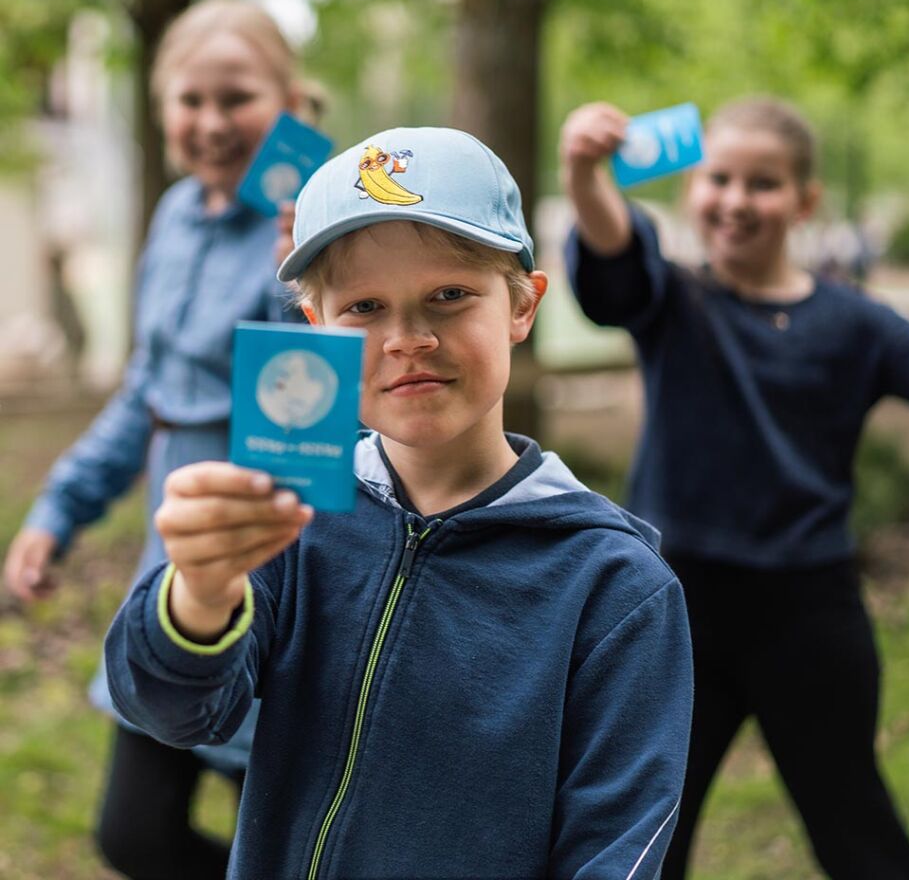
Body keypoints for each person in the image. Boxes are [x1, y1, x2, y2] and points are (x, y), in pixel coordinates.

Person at [103, 126, 694, 880]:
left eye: (449, 296)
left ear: (523, 306)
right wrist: (198, 596)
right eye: (364, 307)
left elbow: (618, 848)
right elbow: (176, 713)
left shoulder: (615, 586)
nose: (407, 338)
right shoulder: (290, 522)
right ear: (316, 330)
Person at [558, 96, 909, 880]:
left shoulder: (856, 324)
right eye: (720, 180)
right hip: (676, 611)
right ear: (690, 192)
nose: (737, 201)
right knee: (644, 836)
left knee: (855, 829)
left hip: (808, 618)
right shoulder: (674, 300)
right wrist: (582, 171)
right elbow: (613, 263)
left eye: (763, 184)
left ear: (805, 202)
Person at [3, 0, 316, 879]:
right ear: (161, 106)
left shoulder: (312, 222)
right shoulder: (175, 217)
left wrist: (301, 279)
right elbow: (147, 386)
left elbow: (312, 405)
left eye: (237, 98)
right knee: (133, 835)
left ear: (289, 101)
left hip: (274, 566)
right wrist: (58, 508)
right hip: (171, 566)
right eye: (191, 100)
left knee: (292, 844)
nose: (211, 122)